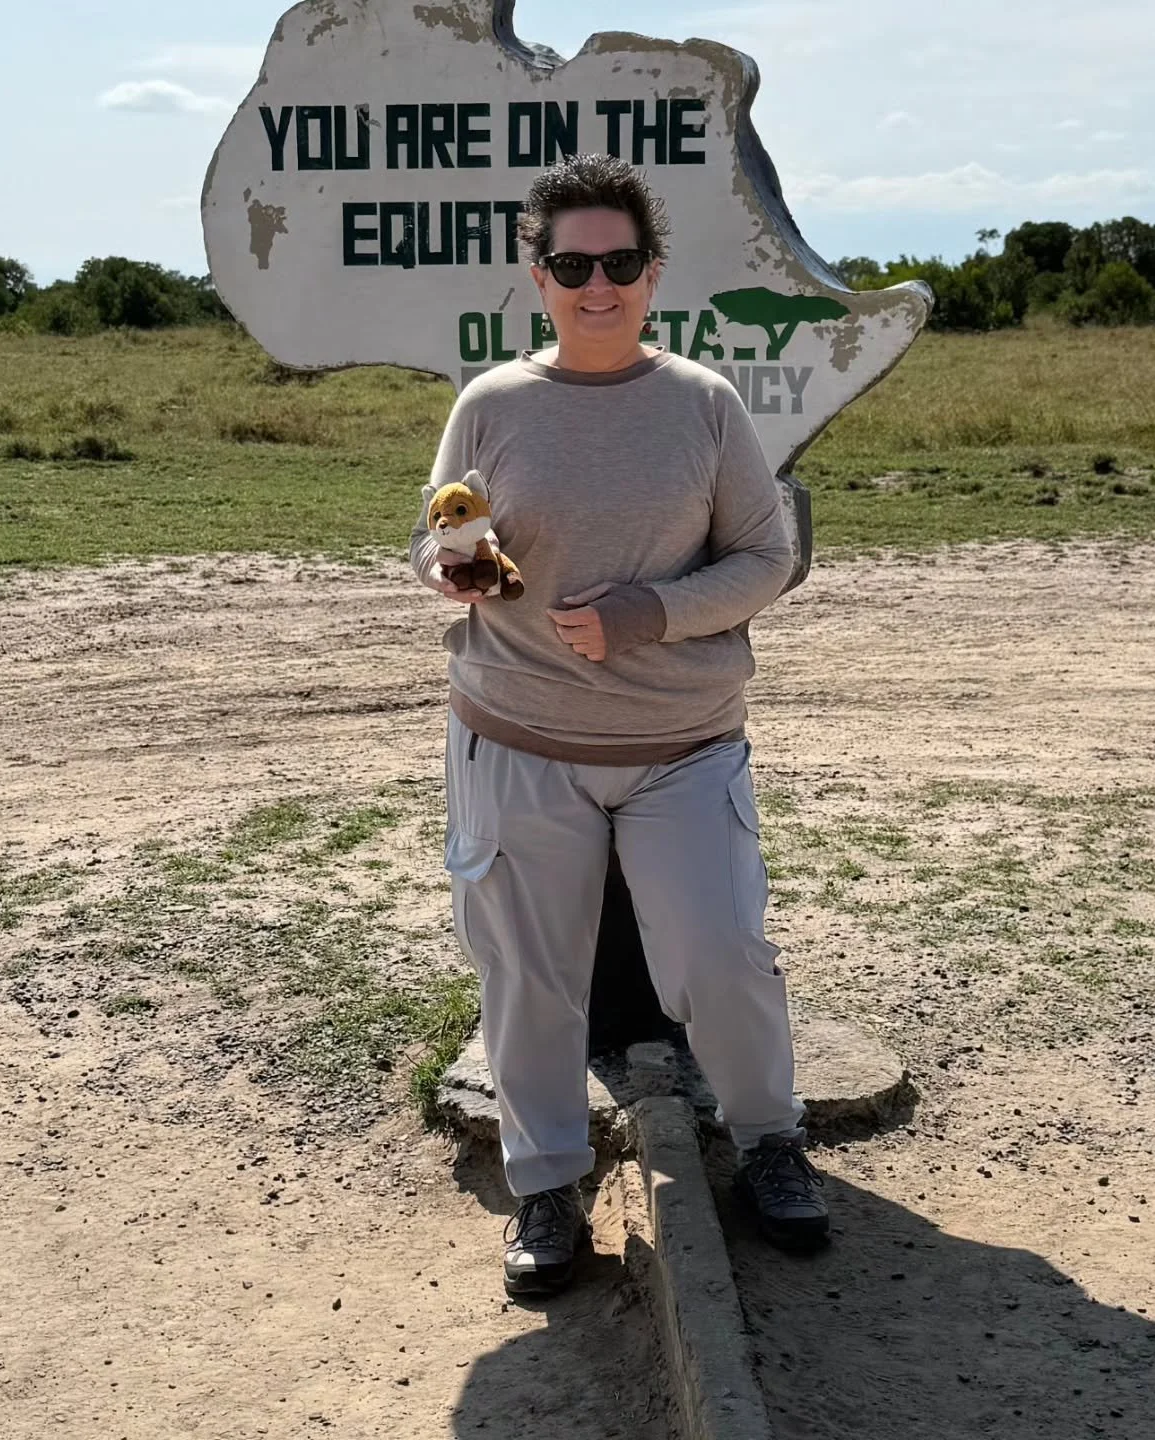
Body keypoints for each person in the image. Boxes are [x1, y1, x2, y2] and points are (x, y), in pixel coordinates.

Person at [410, 153, 828, 1298]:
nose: (599, 285)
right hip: (516, 738)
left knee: (721, 955)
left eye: (622, 262)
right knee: (529, 977)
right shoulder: (489, 404)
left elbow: (765, 558)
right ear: (536, 273)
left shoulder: (702, 404)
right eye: (573, 264)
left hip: (683, 747)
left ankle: (770, 1142)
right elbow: (437, 532)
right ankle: (547, 1184)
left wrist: (651, 615)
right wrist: (456, 572)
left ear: (654, 273)